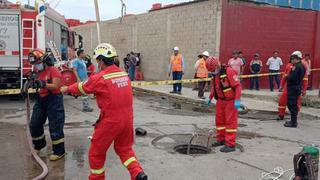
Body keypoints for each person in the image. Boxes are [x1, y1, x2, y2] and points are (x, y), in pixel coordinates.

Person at [60, 43, 148, 180]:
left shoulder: (100, 78)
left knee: (96, 152)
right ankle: (137, 173)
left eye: (98, 61)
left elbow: (82, 87)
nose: (97, 64)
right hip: (128, 120)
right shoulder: (124, 75)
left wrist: (66, 89)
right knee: (124, 149)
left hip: (110, 121)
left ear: (101, 60)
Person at [27, 49, 65, 161]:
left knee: (55, 126)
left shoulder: (53, 70)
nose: (36, 66)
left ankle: (59, 151)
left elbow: (56, 86)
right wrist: (27, 87)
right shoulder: (37, 72)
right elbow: (33, 82)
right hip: (41, 99)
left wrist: (43, 84)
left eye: (38, 63)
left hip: (54, 100)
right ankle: (39, 145)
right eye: (35, 64)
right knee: (34, 124)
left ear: (44, 61)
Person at [205, 58, 242, 153]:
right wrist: (210, 97)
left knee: (230, 122)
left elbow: (238, 86)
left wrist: (237, 101)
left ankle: (230, 144)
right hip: (220, 101)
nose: (212, 72)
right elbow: (215, 87)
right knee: (219, 121)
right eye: (211, 71)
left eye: (213, 70)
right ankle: (221, 139)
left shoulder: (229, 71)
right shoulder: (215, 75)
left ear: (217, 65)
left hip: (230, 101)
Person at [284, 51, 307, 128]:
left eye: (292, 58)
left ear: (296, 58)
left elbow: (292, 77)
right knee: (293, 104)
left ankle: (293, 123)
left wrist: (287, 77)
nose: (291, 60)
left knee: (292, 105)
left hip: (293, 88)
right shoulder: (302, 66)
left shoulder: (297, 66)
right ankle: (293, 121)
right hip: (296, 87)